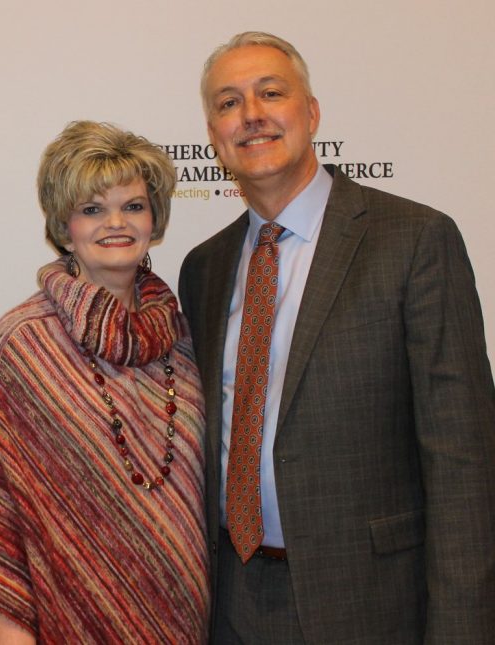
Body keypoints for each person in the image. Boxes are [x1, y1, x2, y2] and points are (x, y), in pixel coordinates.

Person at [178, 31, 495, 643]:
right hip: (231, 602)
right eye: (228, 103)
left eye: (271, 92)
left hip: (370, 603)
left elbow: (465, 465)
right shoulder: (204, 267)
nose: (251, 115)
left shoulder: (413, 241)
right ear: (214, 136)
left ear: (313, 112)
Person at [0, 121, 210, 644]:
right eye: (92, 209)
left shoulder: (184, 339)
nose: (115, 222)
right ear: (63, 225)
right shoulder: (25, 343)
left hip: (185, 626)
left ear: (155, 220)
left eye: (134, 206)